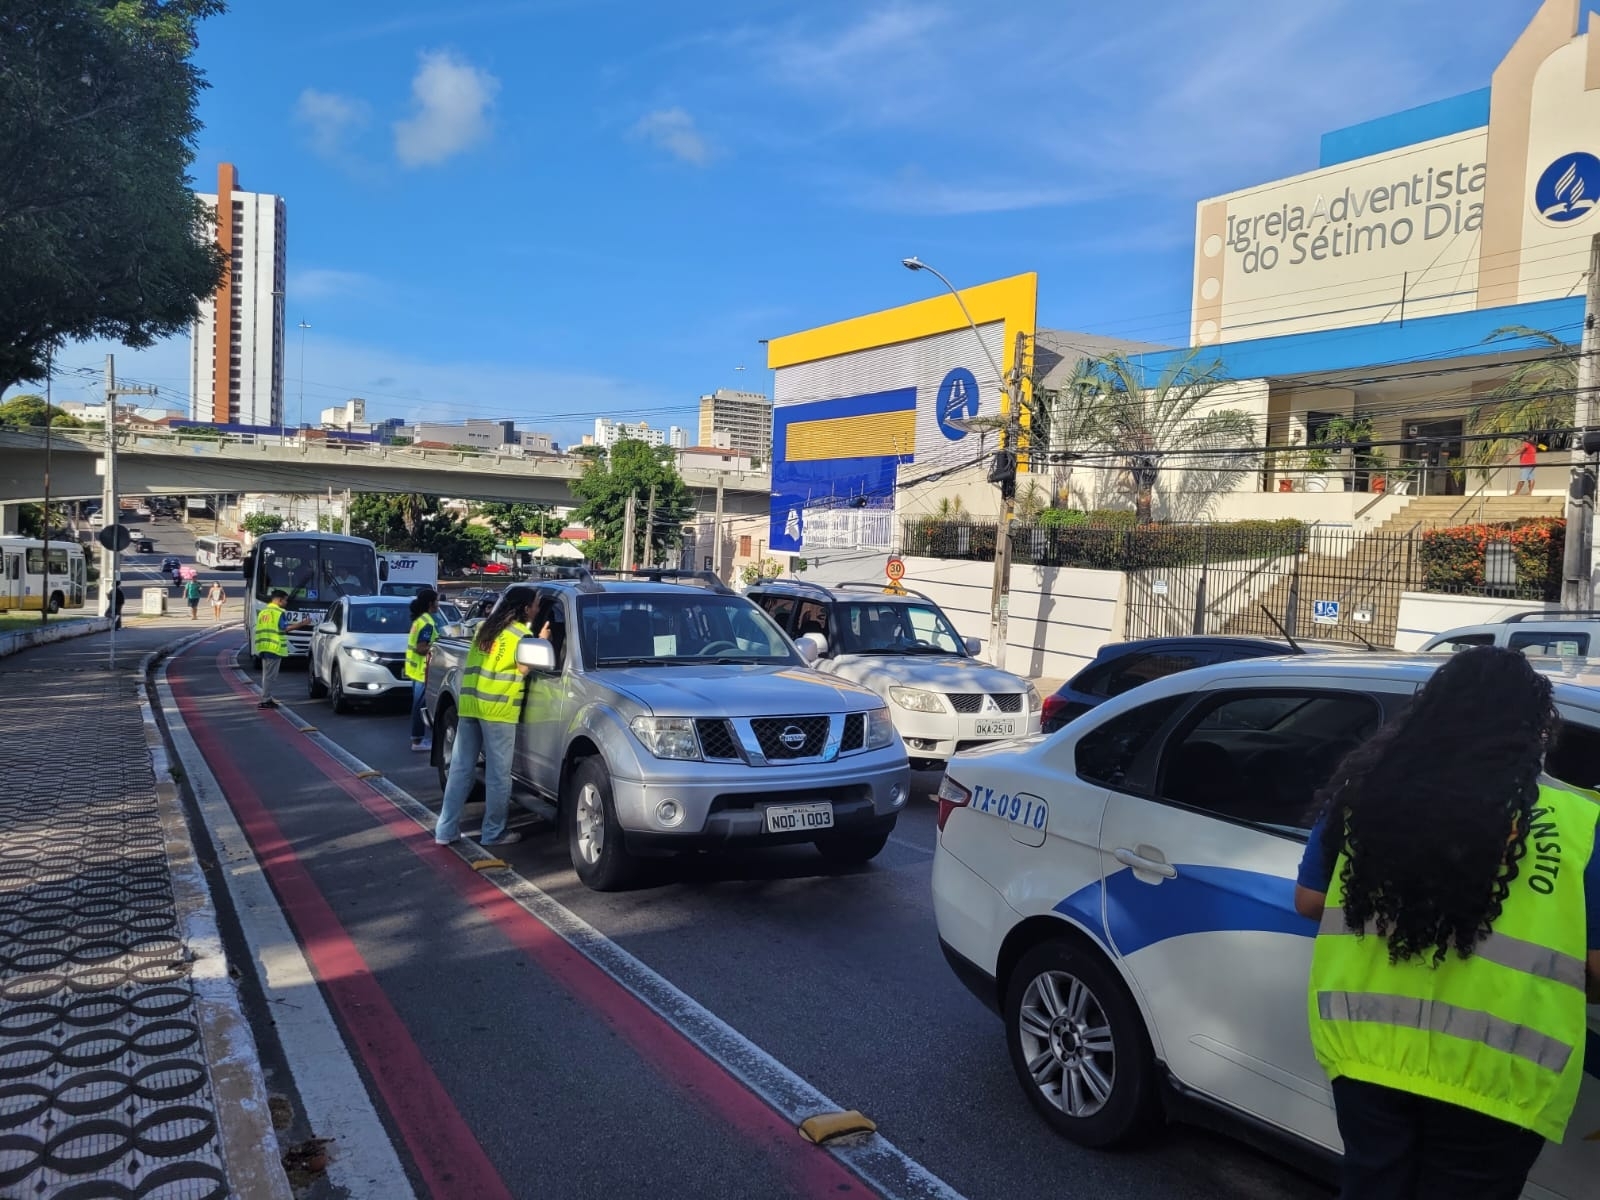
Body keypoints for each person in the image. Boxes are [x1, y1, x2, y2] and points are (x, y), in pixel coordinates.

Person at [1294, 646, 1600, 1199]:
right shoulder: (1582, 826)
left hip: (1369, 1049)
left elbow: (1311, 900)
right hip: (1497, 1076)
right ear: (1537, 726)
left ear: (1428, 713)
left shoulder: (1364, 796)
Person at [434, 584, 540, 848]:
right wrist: (545, 640)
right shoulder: (521, 635)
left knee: (460, 769)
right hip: (498, 709)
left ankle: (445, 830)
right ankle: (493, 832)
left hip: (470, 705)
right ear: (526, 608)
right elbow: (525, 668)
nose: (538, 608)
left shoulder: (486, 628)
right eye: (536, 604)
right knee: (498, 775)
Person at [253, 589, 312, 710]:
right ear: (279, 600)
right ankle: (265, 700)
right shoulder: (278, 612)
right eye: (285, 600)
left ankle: (266, 698)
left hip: (264, 647)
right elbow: (285, 628)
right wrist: (302, 624)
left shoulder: (264, 611)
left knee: (266, 675)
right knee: (270, 677)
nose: (286, 602)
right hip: (274, 648)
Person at [406, 588, 441, 753]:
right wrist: (437, 648)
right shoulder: (427, 622)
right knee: (420, 706)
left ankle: (417, 738)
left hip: (415, 669)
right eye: (437, 601)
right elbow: (421, 648)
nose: (438, 604)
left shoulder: (419, 620)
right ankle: (417, 740)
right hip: (422, 670)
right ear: (430, 603)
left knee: (417, 705)